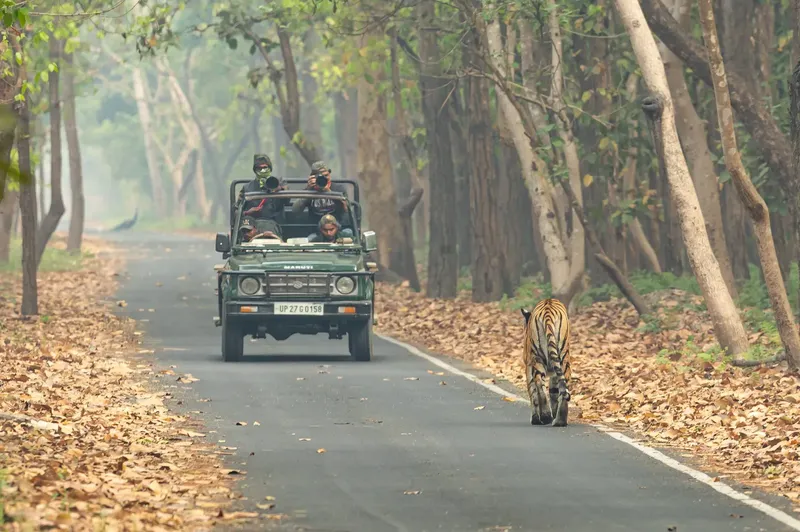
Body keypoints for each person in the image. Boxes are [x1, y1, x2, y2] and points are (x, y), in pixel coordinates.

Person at [291, 160, 350, 226]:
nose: (325, 179)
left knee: (347, 233)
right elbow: (295, 211)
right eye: (320, 177)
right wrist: (309, 190)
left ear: (329, 174)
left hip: (337, 226)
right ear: (313, 178)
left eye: (326, 175)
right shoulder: (309, 191)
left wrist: (328, 191)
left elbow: (347, 209)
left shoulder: (338, 189)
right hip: (316, 228)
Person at [236, 154, 290, 222]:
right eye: (260, 168)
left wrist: (278, 188)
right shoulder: (247, 188)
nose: (263, 170)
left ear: (270, 168)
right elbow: (236, 212)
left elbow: (287, 199)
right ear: (255, 170)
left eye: (265, 167)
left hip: (275, 225)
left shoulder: (279, 183)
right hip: (252, 226)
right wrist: (247, 213)